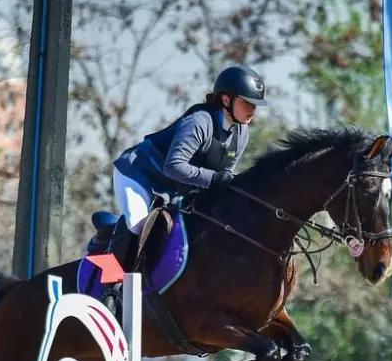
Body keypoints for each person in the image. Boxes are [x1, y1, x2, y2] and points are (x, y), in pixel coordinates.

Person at [92, 65, 268, 283]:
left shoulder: (241, 133)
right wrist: (214, 179)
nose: (253, 110)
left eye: (255, 105)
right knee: (139, 225)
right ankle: (112, 285)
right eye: (247, 103)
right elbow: (174, 166)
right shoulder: (199, 122)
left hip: (173, 188)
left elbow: (222, 178)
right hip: (139, 175)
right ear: (225, 100)